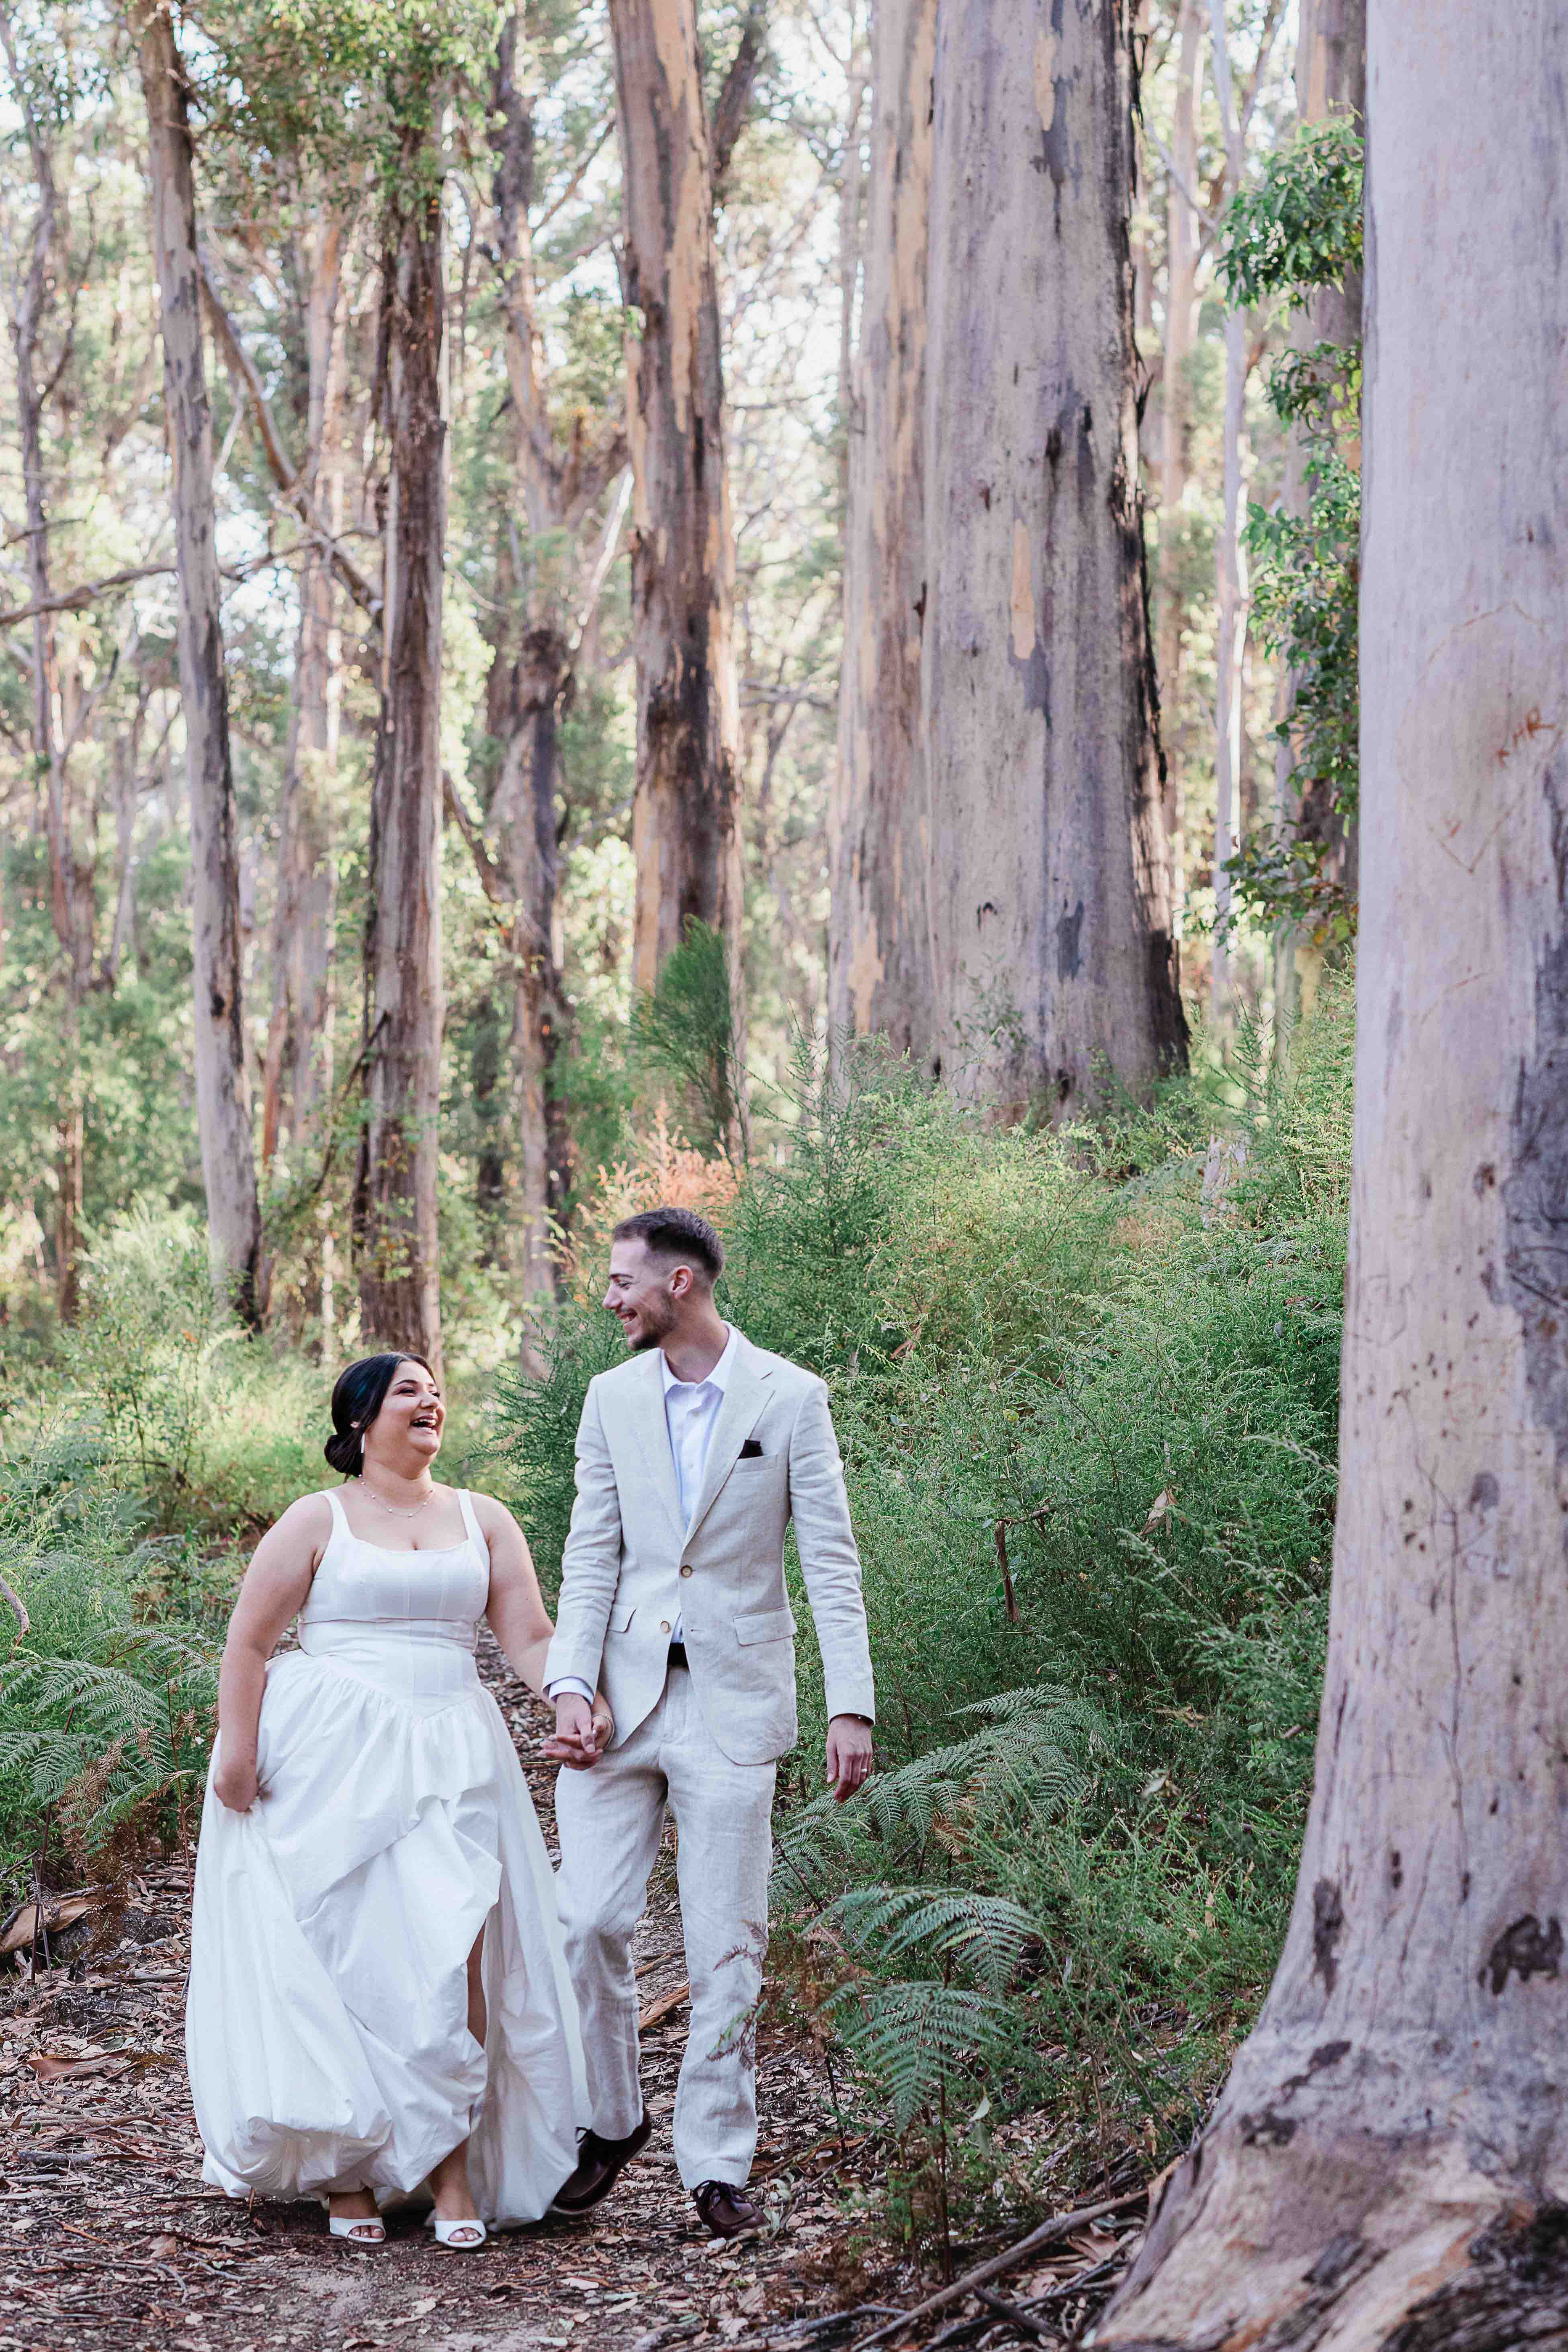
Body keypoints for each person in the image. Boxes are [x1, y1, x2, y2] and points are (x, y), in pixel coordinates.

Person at [186, 1352, 608, 2248]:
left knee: (455, 1948)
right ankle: (347, 2172)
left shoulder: (482, 1517)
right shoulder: (317, 1518)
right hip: (331, 1749)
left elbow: (529, 1633)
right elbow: (250, 1643)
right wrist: (236, 1749)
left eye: (436, 1388)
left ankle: (450, 2166)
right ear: (359, 1420)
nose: (430, 1399)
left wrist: (570, 1696)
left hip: (453, 1742)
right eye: (408, 1390)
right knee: (346, 1946)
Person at [542, 1206, 876, 2241]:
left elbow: (830, 1556)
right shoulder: (609, 1399)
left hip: (735, 1702)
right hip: (619, 1704)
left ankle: (716, 2162)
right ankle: (611, 2120)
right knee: (584, 1920)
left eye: (621, 1281)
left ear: (679, 1282)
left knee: (725, 1939)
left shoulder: (792, 1396)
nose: (610, 1298)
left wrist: (849, 1700)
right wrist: (567, 1685)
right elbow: (590, 1552)